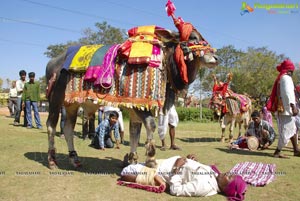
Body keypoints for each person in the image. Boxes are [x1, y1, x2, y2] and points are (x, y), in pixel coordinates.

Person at [120, 154, 247, 200]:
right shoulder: (214, 176)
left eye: (230, 177)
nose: (227, 173)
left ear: (227, 188)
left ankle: (128, 166)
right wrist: (194, 161)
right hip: (166, 162)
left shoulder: (204, 187)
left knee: (125, 173)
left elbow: (176, 190)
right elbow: (194, 171)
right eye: (230, 173)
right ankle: (130, 164)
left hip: (161, 171)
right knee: (137, 165)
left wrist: (177, 168)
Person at [266, 59, 300, 158]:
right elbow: (288, 94)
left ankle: (296, 150)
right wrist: (293, 106)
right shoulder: (286, 78)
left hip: (286, 109)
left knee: (292, 129)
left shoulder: (282, 78)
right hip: (286, 110)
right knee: (286, 131)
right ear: (290, 70)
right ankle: (277, 151)